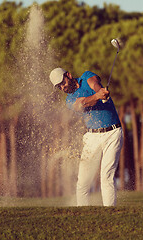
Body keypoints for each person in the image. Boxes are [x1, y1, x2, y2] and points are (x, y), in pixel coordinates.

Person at [49, 67, 123, 206]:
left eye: (62, 83)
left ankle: (110, 213)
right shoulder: (70, 100)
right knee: (83, 182)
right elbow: (82, 103)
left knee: (106, 176)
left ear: (69, 75)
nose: (63, 87)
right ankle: (82, 214)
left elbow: (94, 83)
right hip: (92, 137)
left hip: (113, 133)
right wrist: (97, 96)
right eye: (59, 87)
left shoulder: (86, 76)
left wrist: (99, 91)